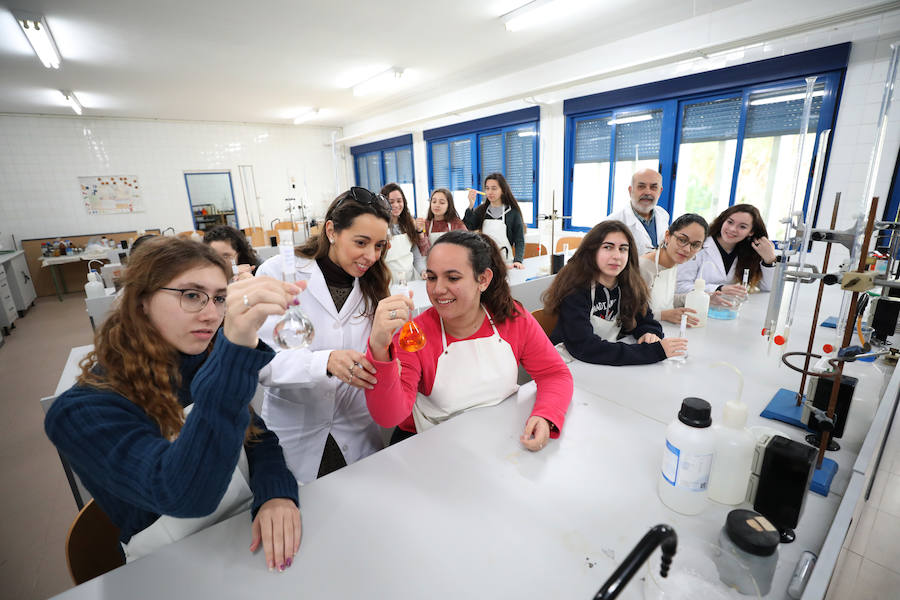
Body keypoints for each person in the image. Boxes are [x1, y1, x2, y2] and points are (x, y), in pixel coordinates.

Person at [44, 237, 302, 571]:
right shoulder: (80, 412)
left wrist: (276, 493)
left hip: (245, 534)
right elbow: (185, 494)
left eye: (219, 298)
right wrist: (233, 356)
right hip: (169, 564)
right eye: (192, 295)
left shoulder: (203, 360)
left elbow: (258, 438)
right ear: (141, 301)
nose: (212, 315)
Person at [364, 231, 572, 449]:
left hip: (497, 438)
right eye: (432, 277)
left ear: (483, 279)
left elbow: (554, 374)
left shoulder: (512, 318)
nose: (438, 289)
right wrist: (379, 349)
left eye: (453, 278)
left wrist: (546, 415)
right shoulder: (415, 336)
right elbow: (389, 417)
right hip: (430, 445)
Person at [255, 187, 390, 484]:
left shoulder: (375, 285)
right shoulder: (278, 273)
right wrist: (324, 362)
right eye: (361, 242)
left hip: (358, 432)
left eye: (379, 246)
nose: (371, 256)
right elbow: (261, 362)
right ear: (331, 231)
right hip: (296, 434)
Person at [542, 221, 687, 365]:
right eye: (608, 247)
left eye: (623, 249)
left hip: (601, 360)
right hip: (568, 363)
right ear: (592, 251)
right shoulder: (576, 289)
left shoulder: (629, 285)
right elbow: (585, 347)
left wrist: (649, 333)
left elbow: (646, 320)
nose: (617, 256)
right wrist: (653, 352)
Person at [676, 204, 776, 299]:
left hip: (726, 307)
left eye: (742, 226)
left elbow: (767, 288)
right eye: (730, 222)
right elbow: (679, 286)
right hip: (695, 306)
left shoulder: (748, 252)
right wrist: (718, 289)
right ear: (723, 221)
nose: (732, 229)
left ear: (751, 232)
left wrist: (769, 260)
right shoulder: (698, 245)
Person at [638, 213, 709, 326]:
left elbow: (663, 301)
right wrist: (663, 315)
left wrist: (698, 297)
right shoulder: (643, 266)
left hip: (662, 328)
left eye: (695, 245)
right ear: (668, 236)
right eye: (682, 240)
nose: (687, 249)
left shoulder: (673, 263)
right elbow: (629, 313)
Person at [463, 173, 526, 269]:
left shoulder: (513, 212)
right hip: (485, 262)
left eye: (494, 188)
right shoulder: (481, 210)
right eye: (487, 188)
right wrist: (471, 205)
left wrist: (518, 260)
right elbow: (467, 228)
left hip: (506, 263)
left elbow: (519, 239)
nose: (490, 192)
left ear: (503, 190)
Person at [606, 169, 671, 256]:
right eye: (641, 186)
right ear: (630, 190)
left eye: (653, 187)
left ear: (660, 191)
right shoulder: (612, 222)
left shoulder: (663, 215)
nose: (647, 192)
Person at [381, 183, 428, 283]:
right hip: (388, 281)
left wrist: (422, 270)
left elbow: (415, 254)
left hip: (409, 279)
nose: (396, 205)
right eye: (391, 202)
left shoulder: (409, 224)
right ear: (383, 204)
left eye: (399, 201)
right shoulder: (380, 227)